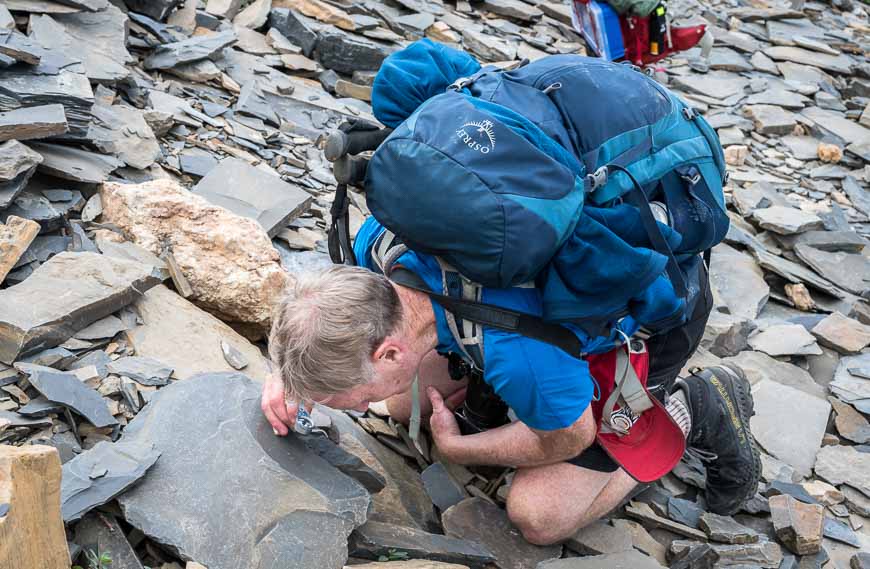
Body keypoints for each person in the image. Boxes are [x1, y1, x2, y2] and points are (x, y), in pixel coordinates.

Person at [261, 214, 761, 546]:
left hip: (651, 319)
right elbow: (319, 309)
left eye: (341, 397)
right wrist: (291, 371)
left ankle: (691, 406)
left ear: (388, 350)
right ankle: (497, 395)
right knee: (399, 406)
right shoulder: (381, 242)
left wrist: (462, 452)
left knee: (539, 515)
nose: (341, 407)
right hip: (515, 319)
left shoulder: (519, 352)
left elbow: (569, 436)